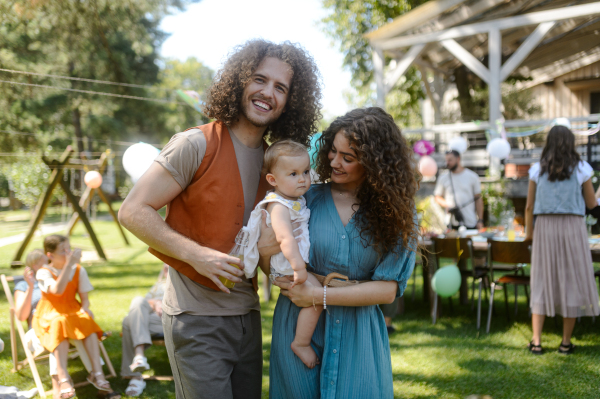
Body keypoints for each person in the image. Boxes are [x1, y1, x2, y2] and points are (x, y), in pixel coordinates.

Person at [118, 39, 322, 399]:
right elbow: (132, 211)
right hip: (196, 318)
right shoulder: (194, 144)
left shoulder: (276, 167)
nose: (267, 93)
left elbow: (257, 246)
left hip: (248, 316)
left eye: (280, 87)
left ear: (291, 100)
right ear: (239, 81)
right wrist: (196, 255)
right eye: (259, 79)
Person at [266, 107, 417, 398]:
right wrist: (280, 274)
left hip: (358, 333)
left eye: (348, 158)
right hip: (297, 323)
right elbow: (268, 250)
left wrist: (319, 295)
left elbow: (388, 290)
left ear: (375, 163)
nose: (334, 162)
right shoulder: (304, 200)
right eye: (333, 152)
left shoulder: (398, 214)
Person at [243, 140, 322, 369]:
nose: (302, 179)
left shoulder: (293, 199)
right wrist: (299, 268)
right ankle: (301, 343)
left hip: (289, 261)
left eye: (306, 171)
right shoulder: (278, 206)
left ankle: (302, 340)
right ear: (272, 180)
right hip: (287, 264)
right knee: (317, 298)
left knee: (316, 297)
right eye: (294, 173)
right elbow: (284, 238)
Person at [524, 124, 600, 354]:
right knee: (571, 280)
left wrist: (529, 234)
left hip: (545, 228)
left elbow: (529, 206)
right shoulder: (582, 169)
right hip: (572, 227)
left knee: (541, 279)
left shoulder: (537, 170)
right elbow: (591, 205)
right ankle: (565, 343)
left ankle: (536, 342)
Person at [32, 235, 118, 399]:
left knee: (86, 320)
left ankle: (97, 374)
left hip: (72, 310)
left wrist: (85, 309)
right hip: (50, 313)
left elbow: (85, 301)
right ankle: (63, 377)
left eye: (69, 248)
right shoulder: (44, 272)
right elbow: (57, 291)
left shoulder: (78, 270)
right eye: (64, 251)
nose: (69, 253)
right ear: (50, 255)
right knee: (59, 323)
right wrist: (69, 265)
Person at [121, 264, 168, 397]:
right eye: (165, 268)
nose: (167, 270)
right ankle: (139, 357)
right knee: (137, 300)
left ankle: (135, 375)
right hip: (150, 319)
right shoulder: (159, 285)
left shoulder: (185, 283)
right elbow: (145, 303)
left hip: (170, 320)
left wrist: (162, 304)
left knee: (128, 322)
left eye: (170, 268)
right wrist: (156, 303)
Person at [434, 149, 484, 230]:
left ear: (458, 159)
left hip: (470, 221)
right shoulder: (443, 178)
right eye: (446, 160)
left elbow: (478, 199)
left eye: (450, 160)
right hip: (450, 222)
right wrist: (447, 205)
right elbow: (437, 197)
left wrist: (480, 220)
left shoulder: (472, 176)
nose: (447, 163)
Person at [14, 249, 47, 327]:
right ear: (35, 266)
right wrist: (30, 287)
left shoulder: (56, 281)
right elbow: (21, 316)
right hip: (39, 327)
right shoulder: (23, 286)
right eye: (47, 262)